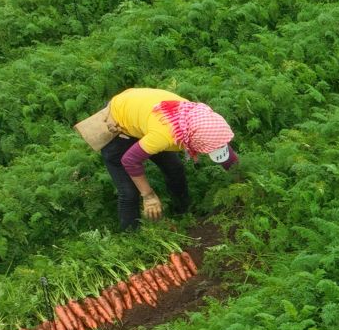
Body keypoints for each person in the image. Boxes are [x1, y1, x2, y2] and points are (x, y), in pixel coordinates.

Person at [102, 87, 240, 230]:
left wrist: (241, 180)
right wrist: (148, 196)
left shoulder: (202, 121)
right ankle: (130, 238)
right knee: (130, 192)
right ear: (193, 141)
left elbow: (222, 149)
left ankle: (183, 213)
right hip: (116, 121)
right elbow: (130, 160)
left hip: (145, 114)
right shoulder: (164, 136)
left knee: (175, 168)